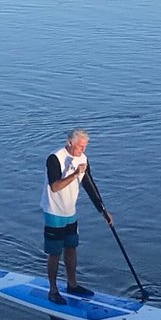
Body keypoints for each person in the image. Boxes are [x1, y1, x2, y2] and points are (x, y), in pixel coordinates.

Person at [41, 128, 112, 304]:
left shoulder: (83, 159)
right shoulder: (54, 158)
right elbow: (55, 187)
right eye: (80, 146)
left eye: (85, 147)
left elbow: (89, 185)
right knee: (55, 252)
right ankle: (53, 290)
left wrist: (103, 211)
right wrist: (74, 174)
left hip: (70, 212)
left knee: (71, 248)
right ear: (70, 143)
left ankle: (72, 285)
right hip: (54, 211)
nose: (83, 150)